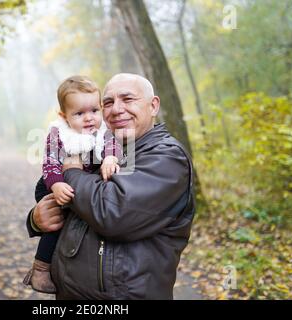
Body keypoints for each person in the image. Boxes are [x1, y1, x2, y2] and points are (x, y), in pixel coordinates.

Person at [26, 73, 195, 299]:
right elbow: (70, 201)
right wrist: (37, 220)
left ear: (153, 106)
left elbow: (111, 213)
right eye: (108, 103)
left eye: (127, 99)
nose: (116, 109)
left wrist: (71, 170)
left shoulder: (166, 157)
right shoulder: (100, 149)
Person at [23, 75, 122, 294]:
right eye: (79, 113)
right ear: (64, 116)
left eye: (94, 111)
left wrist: (109, 158)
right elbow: (49, 164)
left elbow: (111, 146)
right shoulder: (59, 134)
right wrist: (56, 185)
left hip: (80, 182)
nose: (89, 118)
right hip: (53, 183)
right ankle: (41, 268)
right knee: (56, 221)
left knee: (73, 218)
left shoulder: (103, 131)